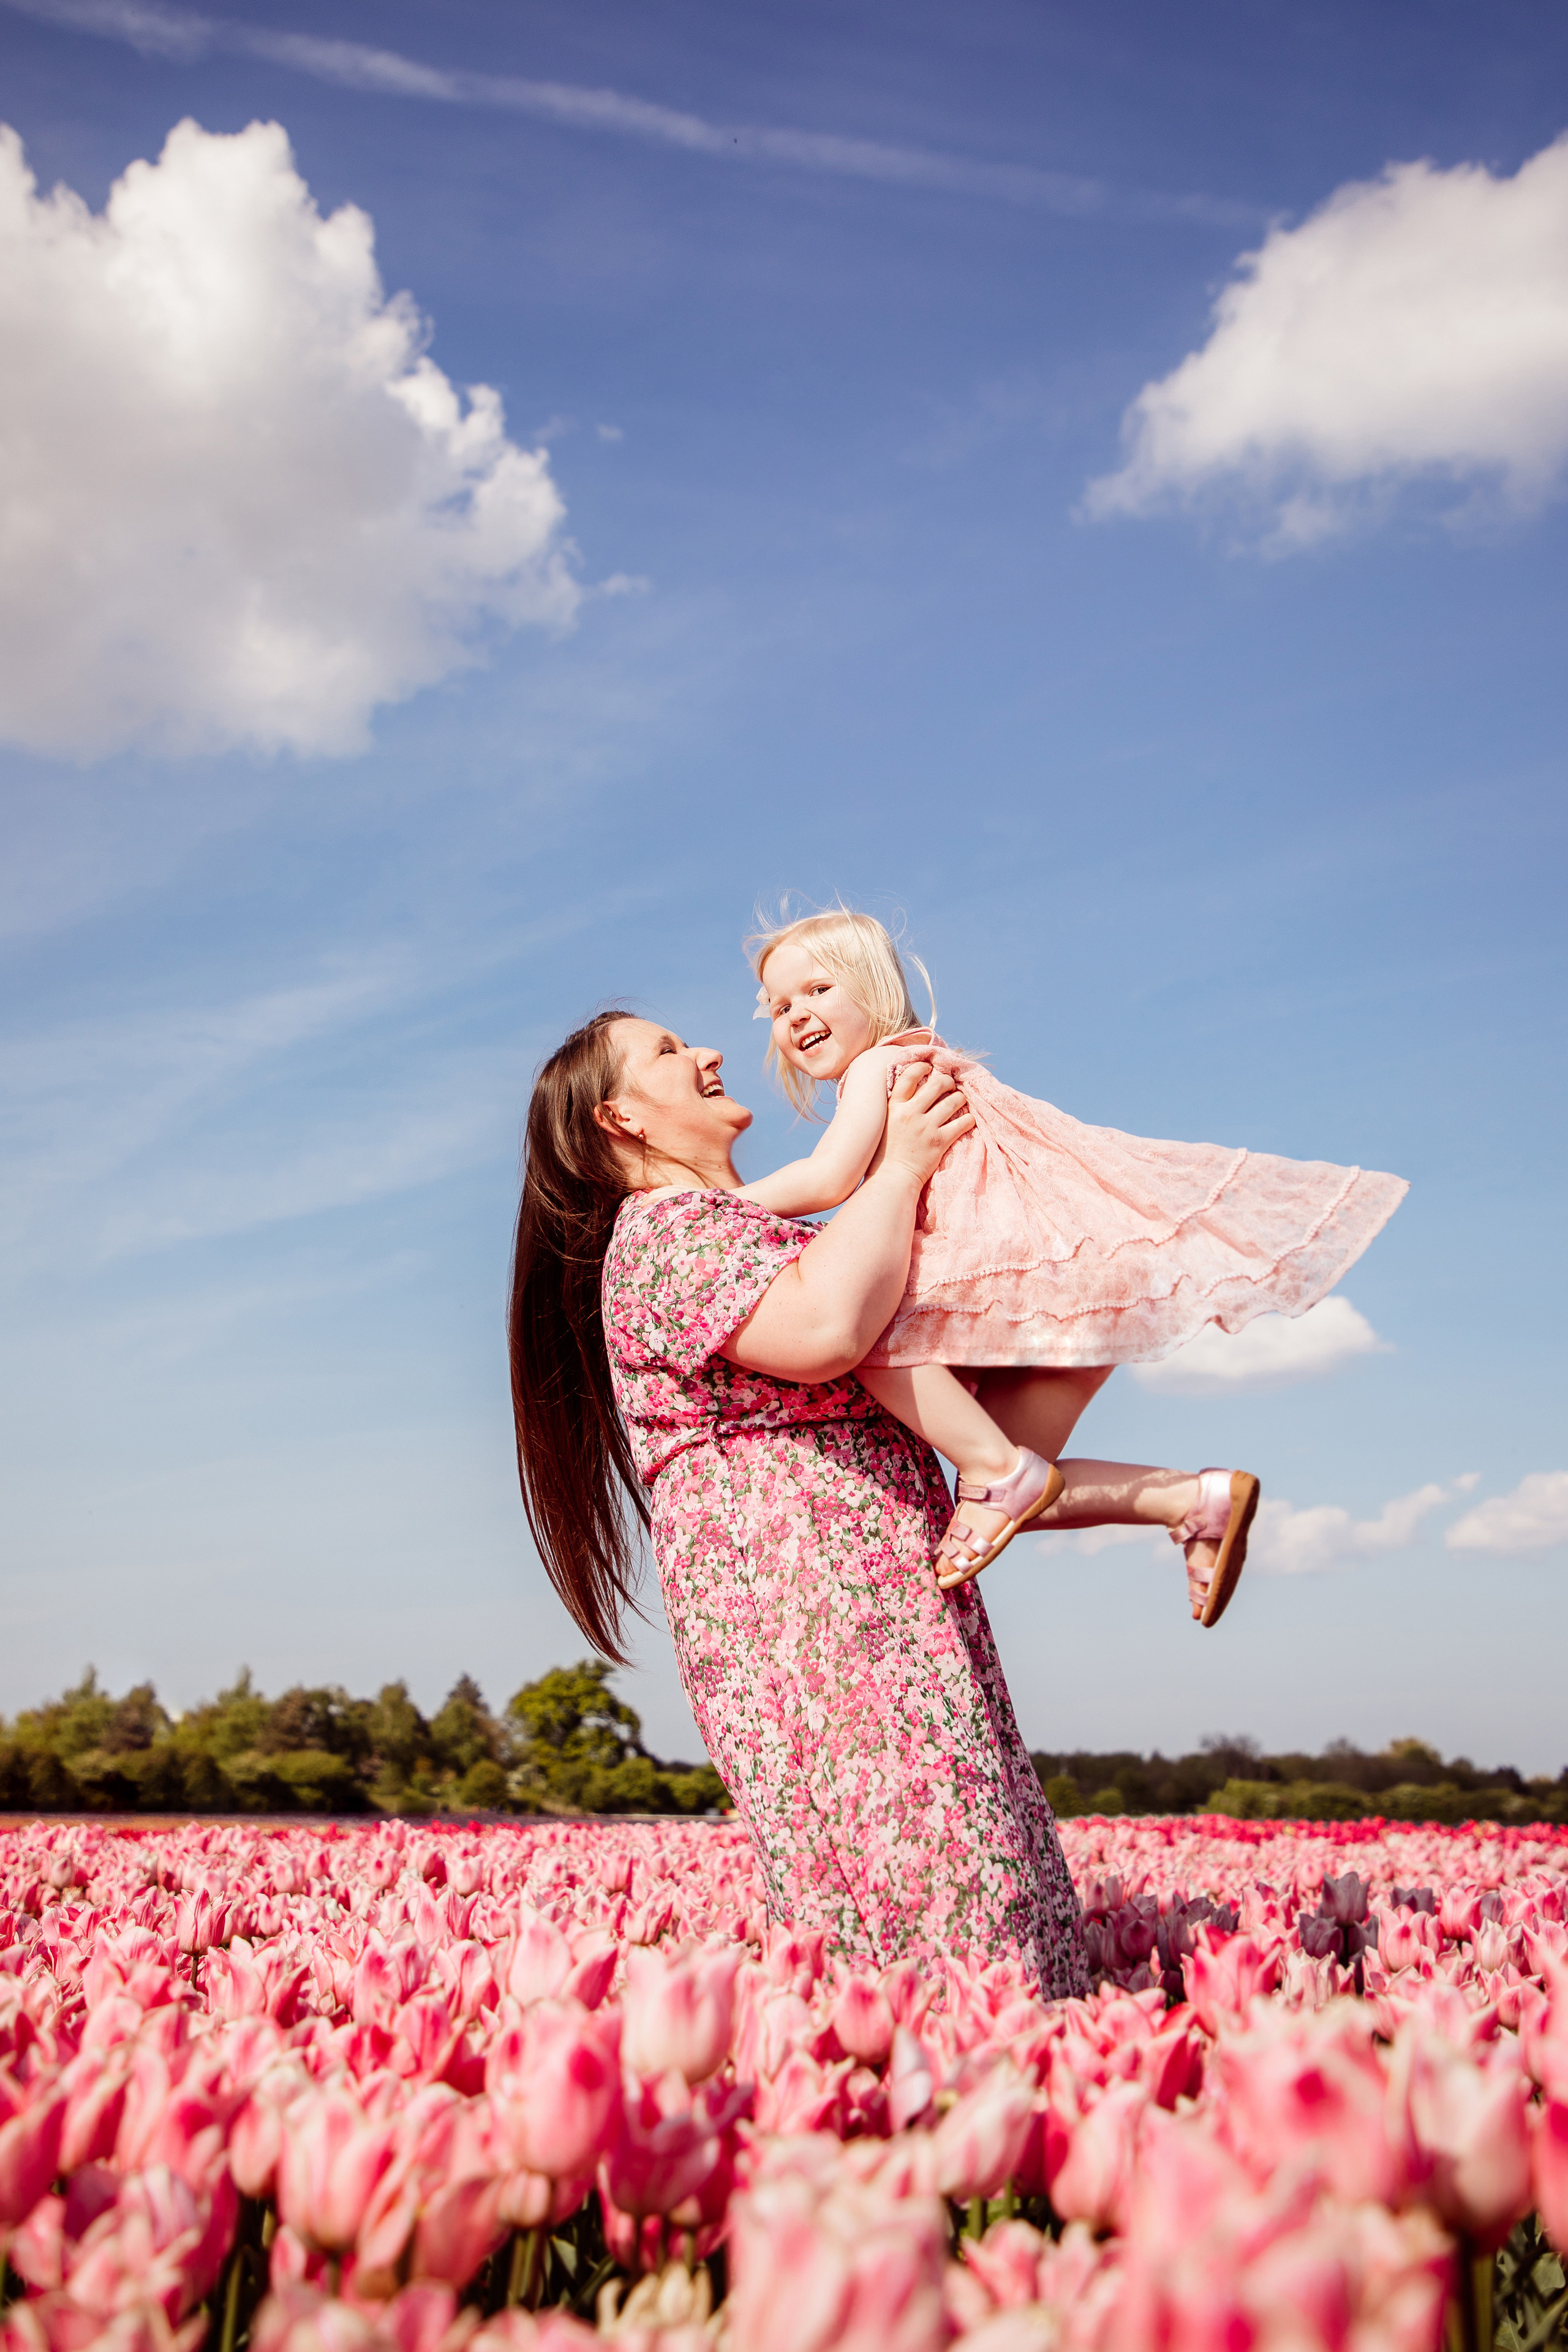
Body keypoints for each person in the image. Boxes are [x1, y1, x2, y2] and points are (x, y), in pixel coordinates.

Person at [508, 1008, 1267, 1989]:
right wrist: (901, 1166)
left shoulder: (752, 1235)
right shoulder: (664, 1236)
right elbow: (825, 1330)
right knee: (924, 1876)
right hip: (811, 1617)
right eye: (667, 1050)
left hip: (877, 1602)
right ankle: (962, 2094)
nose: (708, 1052)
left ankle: (1009, 2087)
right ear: (622, 1120)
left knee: (974, 1854)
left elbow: (948, 1384)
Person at [741, 907, 1408, 1594]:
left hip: (1009, 1268)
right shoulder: (930, 1055)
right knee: (1012, 1487)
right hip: (1079, 1279)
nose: (796, 1016)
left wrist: (706, 1205)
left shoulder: (880, 1064)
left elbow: (827, 1177)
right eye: (779, 1006)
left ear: (874, 987)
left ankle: (1002, 1474)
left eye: (818, 990)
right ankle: (1194, 1499)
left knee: (869, 1340)